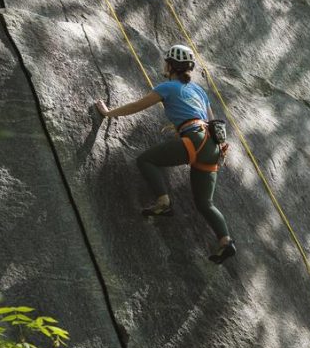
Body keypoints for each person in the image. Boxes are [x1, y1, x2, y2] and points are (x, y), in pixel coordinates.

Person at [93, 44, 236, 263]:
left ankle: (163, 201)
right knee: (205, 203)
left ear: (170, 65)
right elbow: (211, 121)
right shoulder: (199, 91)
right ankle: (225, 241)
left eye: (166, 62)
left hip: (195, 139)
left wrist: (108, 112)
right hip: (213, 147)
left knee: (146, 160)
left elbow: (138, 106)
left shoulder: (167, 87)